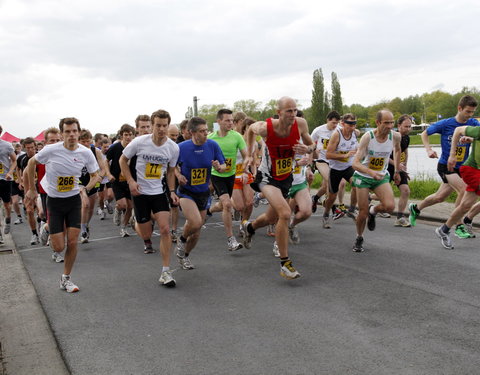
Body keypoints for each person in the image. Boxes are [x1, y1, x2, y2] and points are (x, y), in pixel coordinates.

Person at [242, 96, 314, 280]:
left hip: (286, 178)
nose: (293, 114)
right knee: (284, 213)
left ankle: (250, 227)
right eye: (289, 111)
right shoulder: (266, 128)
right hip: (267, 177)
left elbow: (312, 145)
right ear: (279, 112)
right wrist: (249, 154)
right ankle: (285, 264)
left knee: (270, 217)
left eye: (295, 110)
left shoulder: (301, 124)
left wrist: (307, 150)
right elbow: (250, 129)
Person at [25, 117, 99, 293]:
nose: (71, 134)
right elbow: (30, 163)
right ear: (62, 134)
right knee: (59, 247)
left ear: (79, 132)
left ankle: (66, 278)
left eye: (74, 131)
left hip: (73, 200)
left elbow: (96, 175)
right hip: (55, 201)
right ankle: (47, 228)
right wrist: (32, 190)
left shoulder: (85, 152)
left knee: (73, 241)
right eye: (67, 131)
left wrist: (84, 189)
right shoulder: (51, 150)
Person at [120, 109, 179, 286]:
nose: (161, 129)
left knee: (165, 229)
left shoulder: (173, 148)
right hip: (139, 192)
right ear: (152, 126)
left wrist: (172, 191)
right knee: (146, 233)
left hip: (159, 192)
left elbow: (170, 172)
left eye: (164, 126)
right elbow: (122, 161)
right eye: (158, 125)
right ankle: (136, 222)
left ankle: (165, 271)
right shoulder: (139, 142)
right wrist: (130, 181)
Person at [409, 95, 479, 238]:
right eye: (467, 111)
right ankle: (458, 226)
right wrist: (428, 149)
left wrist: (470, 139)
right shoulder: (446, 124)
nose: (470, 115)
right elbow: (424, 133)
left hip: (463, 167)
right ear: (459, 108)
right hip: (446, 165)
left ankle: (416, 208)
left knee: (439, 197)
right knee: (463, 190)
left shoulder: (472, 123)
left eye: (472, 112)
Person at [175, 117, 226, 270]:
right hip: (186, 192)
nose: (206, 134)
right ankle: (182, 239)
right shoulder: (181, 148)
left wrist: (219, 167)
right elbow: (172, 167)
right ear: (192, 132)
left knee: (196, 232)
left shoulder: (212, 145)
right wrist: (178, 176)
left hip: (203, 192)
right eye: (202, 131)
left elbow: (224, 166)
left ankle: (185, 256)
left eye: (206, 130)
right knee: (196, 222)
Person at [351, 110, 401, 252]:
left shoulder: (395, 136)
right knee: (362, 212)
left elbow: (397, 151)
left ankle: (373, 211)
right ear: (378, 123)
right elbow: (355, 163)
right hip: (363, 177)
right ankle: (359, 237)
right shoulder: (368, 137)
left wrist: (397, 170)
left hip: (380, 175)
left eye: (392, 122)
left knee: (390, 206)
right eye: (386, 123)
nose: (390, 126)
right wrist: (370, 172)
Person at [207, 109, 248, 251]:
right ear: (219, 122)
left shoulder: (237, 137)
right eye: (227, 120)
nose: (231, 123)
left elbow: (246, 155)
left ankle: (210, 210)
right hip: (217, 175)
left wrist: (245, 168)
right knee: (227, 204)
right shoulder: (211, 138)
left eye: (232, 120)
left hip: (231, 175)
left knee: (223, 205)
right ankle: (231, 240)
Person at [435, 124, 480, 249]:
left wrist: (471, 140)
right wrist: (452, 154)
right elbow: (458, 130)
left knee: (465, 206)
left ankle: (444, 229)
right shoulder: (478, 130)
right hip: (471, 170)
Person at [322, 113, 359, 229]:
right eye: (350, 124)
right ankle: (326, 214)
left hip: (348, 167)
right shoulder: (336, 135)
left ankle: (352, 209)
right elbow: (328, 155)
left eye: (354, 124)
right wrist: (344, 156)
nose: (352, 127)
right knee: (332, 197)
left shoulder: (355, 134)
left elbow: (358, 149)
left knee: (357, 185)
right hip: (335, 169)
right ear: (342, 124)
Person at [106, 124, 135, 237]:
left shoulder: (134, 147)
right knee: (122, 204)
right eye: (126, 135)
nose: (128, 137)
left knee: (130, 206)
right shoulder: (115, 147)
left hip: (129, 180)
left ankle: (123, 227)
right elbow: (105, 161)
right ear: (121, 135)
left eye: (130, 135)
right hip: (116, 180)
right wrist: (108, 174)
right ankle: (118, 209)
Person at [310, 111, 341, 212]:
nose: (335, 125)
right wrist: (313, 152)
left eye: (337, 123)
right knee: (330, 180)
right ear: (328, 120)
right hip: (321, 160)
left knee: (325, 186)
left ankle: (315, 198)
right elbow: (309, 144)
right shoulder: (318, 130)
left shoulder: (339, 130)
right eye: (333, 123)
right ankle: (333, 208)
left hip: (334, 161)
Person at [78, 130, 105, 243]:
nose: (85, 144)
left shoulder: (96, 151)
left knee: (90, 208)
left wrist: (100, 176)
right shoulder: (75, 151)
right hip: (79, 181)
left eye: (87, 141)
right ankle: (83, 231)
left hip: (93, 180)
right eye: (82, 141)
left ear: (91, 141)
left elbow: (103, 169)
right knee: (85, 205)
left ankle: (86, 224)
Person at [386, 115, 413, 227]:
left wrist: (404, 166)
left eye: (410, 126)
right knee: (386, 195)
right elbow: (385, 156)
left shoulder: (406, 138)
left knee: (405, 190)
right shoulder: (391, 137)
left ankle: (400, 217)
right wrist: (397, 165)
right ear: (398, 126)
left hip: (399, 168)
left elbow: (405, 152)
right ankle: (370, 197)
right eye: (406, 126)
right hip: (387, 167)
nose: (408, 129)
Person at [231, 114, 256, 238]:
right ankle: (230, 201)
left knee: (250, 203)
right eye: (250, 129)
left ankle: (243, 224)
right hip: (234, 175)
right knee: (240, 206)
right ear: (244, 129)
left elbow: (254, 160)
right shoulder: (236, 140)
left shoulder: (254, 144)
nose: (253, 132)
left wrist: (254, 173)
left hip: (246, 174)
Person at [16, 137, 40, 245]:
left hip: (41, 187)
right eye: (28, 148)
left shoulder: (41, 157)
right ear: (25, 148)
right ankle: (34, 234)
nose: (30, 150)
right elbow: (18, 169)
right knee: (29, 211)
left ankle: (42, 224)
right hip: (28, 187)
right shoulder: (22, 159)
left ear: (35, 147)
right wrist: (20, 180)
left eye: (32, 147)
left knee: (41, 212)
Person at [0, 125, 17, 244]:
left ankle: (8, 219)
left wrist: (10, 172)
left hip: (4, 179)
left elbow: (15, 160)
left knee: (7, 205)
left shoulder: (6, 145)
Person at [167, 123, 180, 242]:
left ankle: (174, 231)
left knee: (174, 205)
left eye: (176, 135)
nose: (175, 138)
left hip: (172, 179)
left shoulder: (176, 147)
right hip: (156, 180)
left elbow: (176, 165)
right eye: (172, 135)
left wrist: (179, 173)